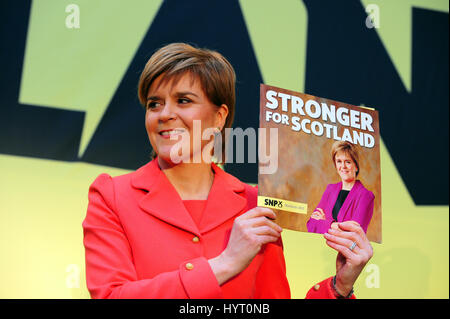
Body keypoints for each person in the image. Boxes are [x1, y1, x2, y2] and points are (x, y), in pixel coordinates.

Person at [82, 43, 373, 299]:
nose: (164, 114)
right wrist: (224, 264)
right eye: (154, 103)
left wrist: (340, 287)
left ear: (219, 116)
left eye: (183, 100)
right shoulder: (112, 196)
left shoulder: (256, 204)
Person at [307, 141, 375, 234]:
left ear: (356, 166)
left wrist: (325, 223)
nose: (343, 166)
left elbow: (354, 232)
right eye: (339, 161)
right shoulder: (330, 189)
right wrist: (336, 226)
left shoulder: (366, 196)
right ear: (335, 165)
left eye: (348, 162)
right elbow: (311, 224)